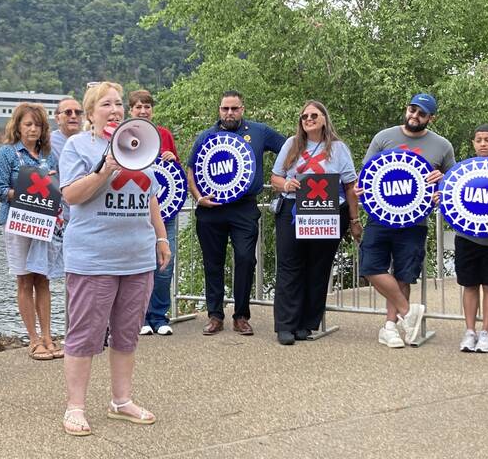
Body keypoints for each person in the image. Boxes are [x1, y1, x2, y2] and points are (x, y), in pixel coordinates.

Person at [59, 81, 171, 436]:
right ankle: (75, 406)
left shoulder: (139, 144)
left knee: (127, 333)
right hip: (94, 258)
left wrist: (161, 236)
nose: (116, 109)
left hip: (137, 257)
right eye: (106, 104)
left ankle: (121, 401)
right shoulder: (78, 146)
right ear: (91, 113)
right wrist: (104, 169)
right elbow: (72, 195)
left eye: (119, 103)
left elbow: (149, 194)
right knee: (85, 334)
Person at [356, 93, 455, 348]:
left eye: (422, 113)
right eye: (412, 109)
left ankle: (391, 327)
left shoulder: (442, 146)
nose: (415, 116)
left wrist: (440, 186)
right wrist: (360, 189)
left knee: (403, 274)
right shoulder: (384, 137)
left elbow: (450, 184)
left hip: (415, 222)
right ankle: (407, 310)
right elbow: (366, 174)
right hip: (380, 217)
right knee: (370, 267)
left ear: (431, 118)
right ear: (406, 109)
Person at [187, 90, 286, 335]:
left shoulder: (259, 131)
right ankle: (215, 315)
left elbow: (289, 148)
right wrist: (198, 198)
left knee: (245, 259)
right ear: (219, 110)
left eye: (234, 108)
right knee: (213, 263)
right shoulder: (206, 136)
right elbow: (190, 169)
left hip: (244, 208)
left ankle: (241, 315)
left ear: (243, 109)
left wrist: (280, 177)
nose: (229, 113)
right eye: (225, 109)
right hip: (211, 209)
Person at [271, 101, 362, 345]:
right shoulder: (291, 144)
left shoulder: (339, 148)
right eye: (304, 116)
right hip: (293, 208)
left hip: (329, 210)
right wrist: (286, 184)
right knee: (290, 265)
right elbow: (275, 177)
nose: (308, 119)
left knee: (318, 267)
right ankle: (286, 325)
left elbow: (350, 185)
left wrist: (354, 219)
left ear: (324, 119)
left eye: (314, 115)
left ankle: (307, 323)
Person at [0, 103, 62, 361]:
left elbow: (57, 189)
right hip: (17, 222)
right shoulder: (7, 153)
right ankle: (33, 339)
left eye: (38, 125)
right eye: (28, 124)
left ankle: (48, 336)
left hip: (43, 223)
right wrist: (28, 191)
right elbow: (0, 191)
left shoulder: (49, 154)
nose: (33, 129)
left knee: (43, 278)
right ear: (18, 126)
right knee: (24, 279)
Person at [130, 89, 180, 336]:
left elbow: (177, 176)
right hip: (135, 213)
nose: (143, 111)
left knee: (164, 266)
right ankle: (139, 317)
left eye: (147, 106)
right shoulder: (124, 136)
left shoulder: (164, 135)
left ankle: (159, 316)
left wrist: (172, 159)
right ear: (131, 111)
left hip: (166, 210)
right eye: (138, 106)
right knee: (138, 266)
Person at [456, 124, 488, 353]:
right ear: (473, 143)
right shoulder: (462, 170)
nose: (483, 144)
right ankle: (470, 331)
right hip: (466, 237)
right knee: (469, 285)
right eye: (479, 140)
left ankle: (486, 333)